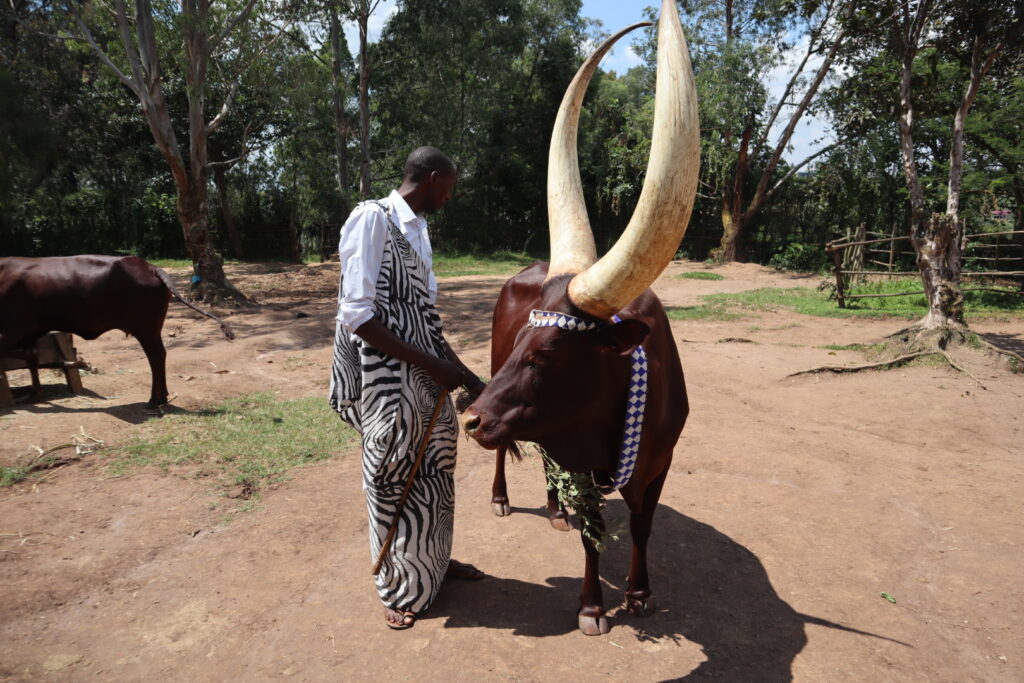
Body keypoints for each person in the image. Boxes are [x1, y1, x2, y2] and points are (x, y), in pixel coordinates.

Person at [329, 146, 486, 630]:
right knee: (390, 474)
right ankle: (395, 584)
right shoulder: (371, 220)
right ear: (434, 178)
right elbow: (358, 316)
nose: (450, 196)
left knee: (435, 468)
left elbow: (425, 320)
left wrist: (465, 374)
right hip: (387, 379)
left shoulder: (419, 231)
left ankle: (431, 566)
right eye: (450, 186)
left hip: (424, 378)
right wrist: (432, 367)